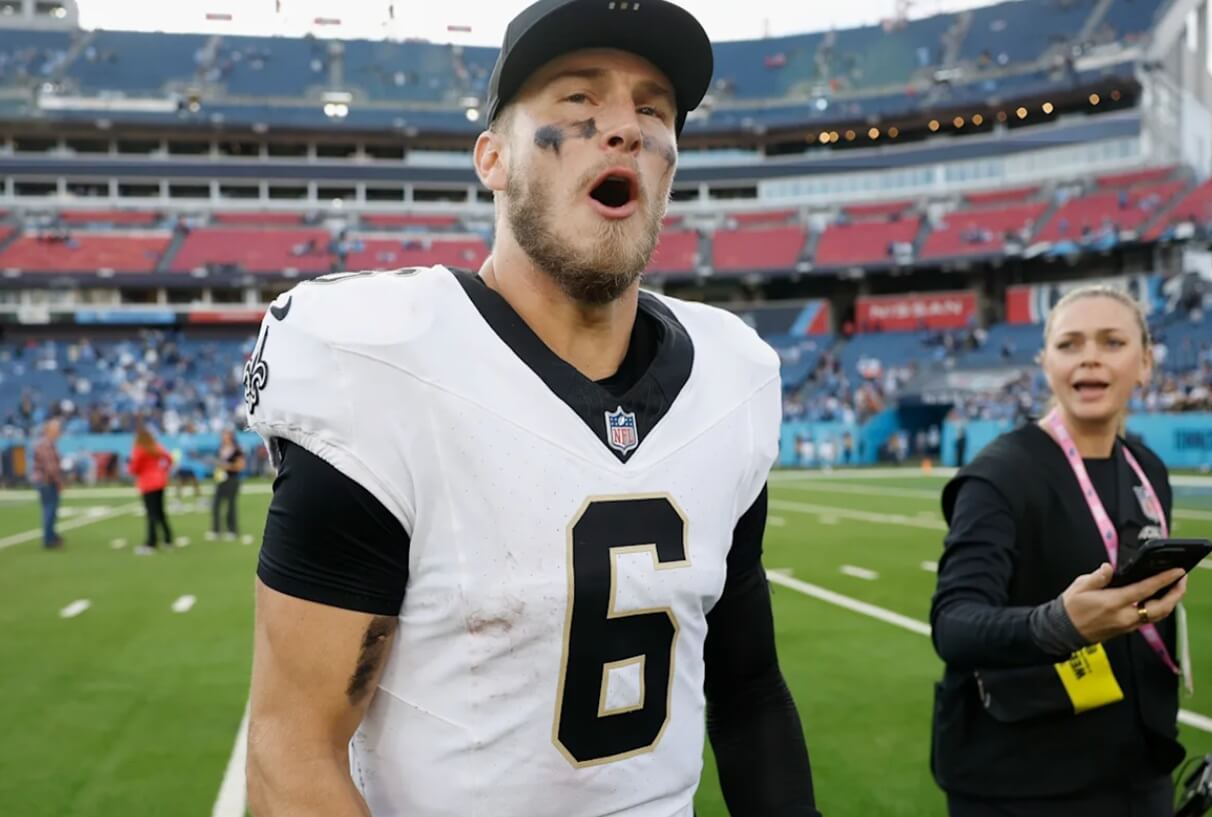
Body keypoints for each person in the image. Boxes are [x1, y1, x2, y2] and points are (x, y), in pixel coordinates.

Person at [243, 1, 820, 816]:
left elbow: (749, 687)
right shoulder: (384, 367)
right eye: (578, 103)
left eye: (650, 110)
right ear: (494, 158)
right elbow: (291, 748)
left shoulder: (734, 377)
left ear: (669, 166)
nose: (620, 128)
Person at [930, 286, 1190, 817]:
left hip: (1139, 771)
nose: (1089, 356)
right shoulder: (998, 474)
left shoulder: (1148, 469)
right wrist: (1058, 624)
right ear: (1044, 364)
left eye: (1112, 341)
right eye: (1070, 344)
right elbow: (953, 624)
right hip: (1022, 782)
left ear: (1144, 364)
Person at [127, 424, 173, 555]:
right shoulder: (156, 447)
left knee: (151, 514)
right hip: (160, 482)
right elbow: (169, 459)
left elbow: (134, 468)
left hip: (148, 483)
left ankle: (151, 543)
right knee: (160, 512)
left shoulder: (139, 450)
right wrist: (163, 471)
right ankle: (168, 539)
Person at [30, 418, 63, 550]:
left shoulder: (47, 444)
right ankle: (49, 539)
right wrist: (58, 481)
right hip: (47, 481)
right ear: (49, 431)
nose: (59, 433)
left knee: (51, 509)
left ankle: (51, 535)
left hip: (45, 480)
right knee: (50, 509)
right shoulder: (46, 445)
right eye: (57, 430)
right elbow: (51, 468)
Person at [210, 428, 245, 540]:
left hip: (232, 480)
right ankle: (216, 530)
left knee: (231, 505)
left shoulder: (237, 450)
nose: (224, 437)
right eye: (223, 435)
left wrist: (227, 466)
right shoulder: (219, 449)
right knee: (215, 504)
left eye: (227, 435)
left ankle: (232, 530)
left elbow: (240, 466)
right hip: (220, 479)